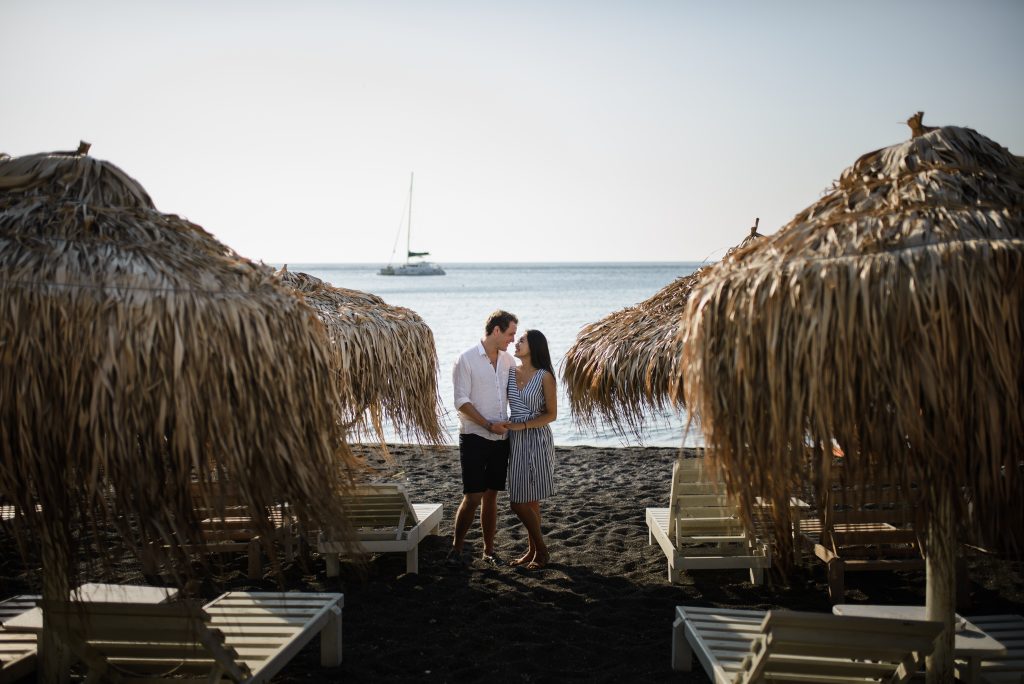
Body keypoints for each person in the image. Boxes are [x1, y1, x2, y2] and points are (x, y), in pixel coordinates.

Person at [449, 309, 518, 567]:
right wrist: (488, 425)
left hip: (501, 439)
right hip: (474, 436)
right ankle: (457, 548)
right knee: (473, 494)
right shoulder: (466, 359)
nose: (513, 338)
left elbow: (515, 395)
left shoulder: (509, 361)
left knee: (492, 496)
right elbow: (461, 401)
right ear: (497, 330)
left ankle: (488, 551)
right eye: (510, 333)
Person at [503, 329, 557, 570]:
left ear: (534, 346)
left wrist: (523, 425)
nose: (516, 343)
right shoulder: (509, 373)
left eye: (521, 340)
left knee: (521, 501)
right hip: (515, 440)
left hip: (536, 438)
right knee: (527, 499)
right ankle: (533, 550)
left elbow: (552, 414)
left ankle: (541, 552)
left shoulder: (545, 376)